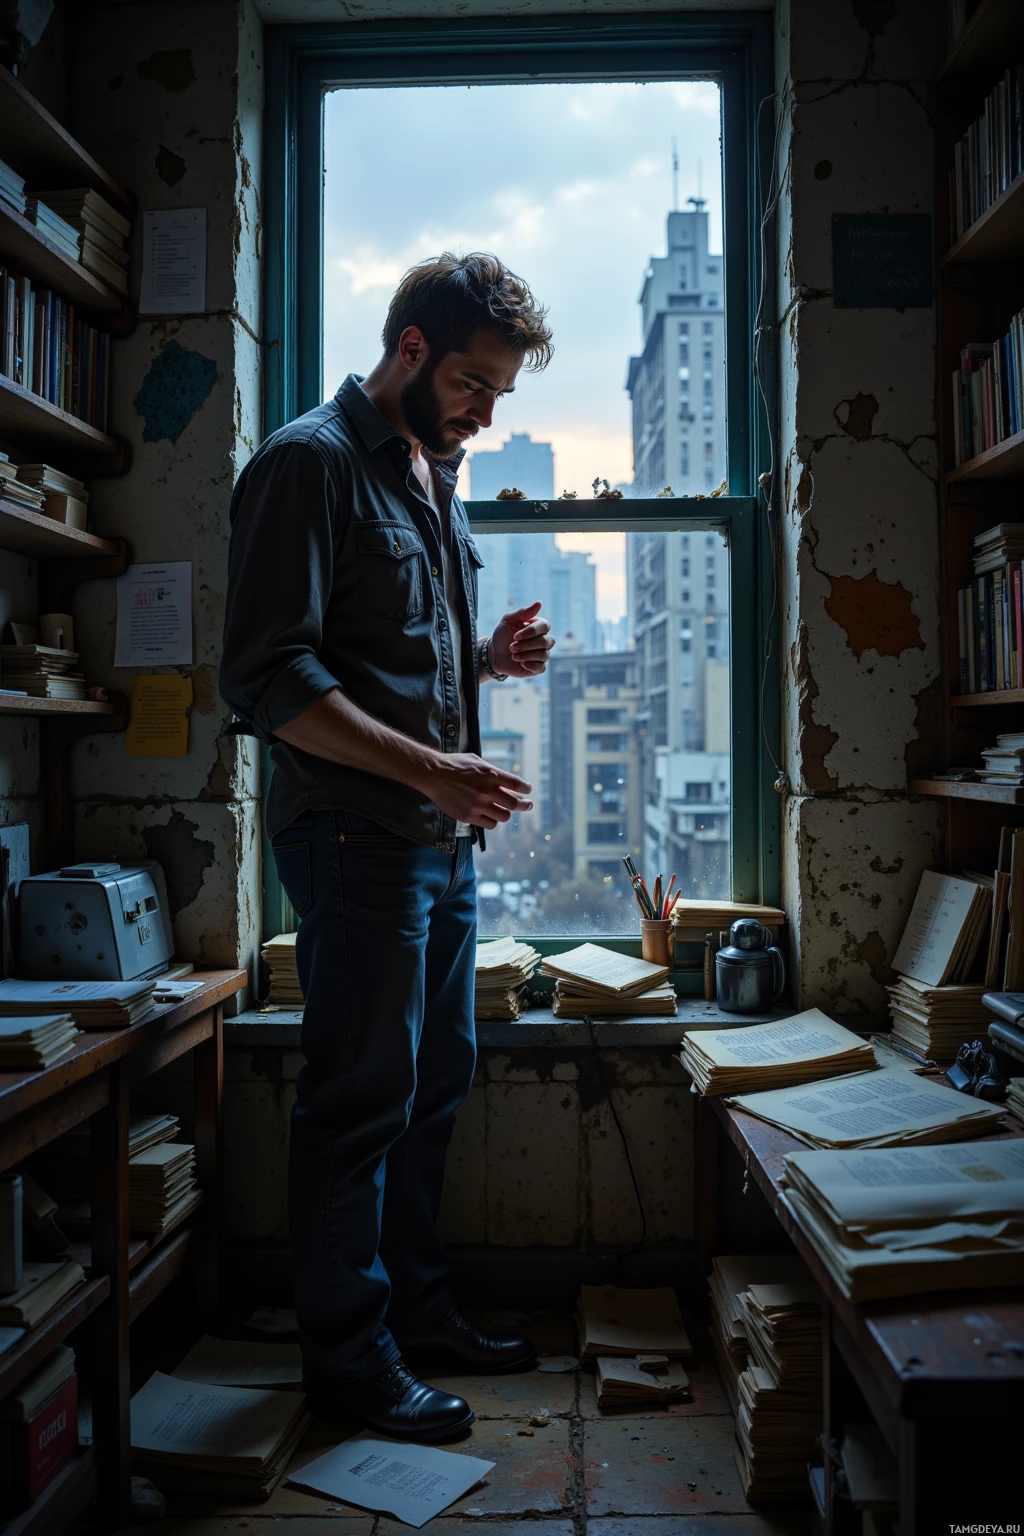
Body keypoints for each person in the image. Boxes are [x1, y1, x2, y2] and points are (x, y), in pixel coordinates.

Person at [220, 253, 556, 1442]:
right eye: (471, 380)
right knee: (358, 1101)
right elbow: (270, 679)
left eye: (500, 392)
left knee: (432, 1083)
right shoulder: (307, 464)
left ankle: (415, 1315)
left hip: (431, 837)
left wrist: (485, 664)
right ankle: (350, 1365)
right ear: (409, 347)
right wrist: (432, 769)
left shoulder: (431, 472)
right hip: (360, 837)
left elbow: (382, 657)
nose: (483, 408)